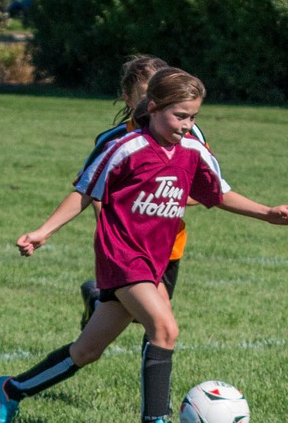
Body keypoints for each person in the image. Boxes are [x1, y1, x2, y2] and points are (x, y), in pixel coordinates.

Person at [0, 68, 288, 423]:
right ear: (152, 107)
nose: (187, 125)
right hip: (121, 254)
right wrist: (43, 232)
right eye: (180, 115)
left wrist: (268, 212)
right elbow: (85, 190)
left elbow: (216, 194)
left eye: (193, 117)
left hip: (153, 260)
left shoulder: (192, 152)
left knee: (86, 351)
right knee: (164, 327)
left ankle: (10, 390)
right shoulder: (126, 148)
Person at [18, 56, 210, 330]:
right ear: (128, 99)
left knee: (141, 317)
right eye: (145, 95)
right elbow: (89, 189)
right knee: (160, 321)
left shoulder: (190, 135)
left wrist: (160, 196)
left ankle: (96, 301)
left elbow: (203, 190)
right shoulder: (115, 140)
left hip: (168, 242)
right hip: (126, 245)